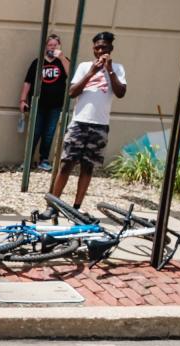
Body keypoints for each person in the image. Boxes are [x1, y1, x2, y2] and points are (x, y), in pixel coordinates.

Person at [47, 31, 126, 215]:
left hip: (100, 124)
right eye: (97, 47)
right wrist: (92, 72)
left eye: (104, 47)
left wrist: (110, 69)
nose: (100, 51)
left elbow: (121, 92)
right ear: (93, 48)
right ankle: (53, 206)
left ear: (110, 49)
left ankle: (76, 208)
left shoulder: (118, 68)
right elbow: (72, 92)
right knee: (66, 164)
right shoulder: (84, 66)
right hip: (79, 122)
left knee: (87, 167)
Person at [19, 34, 70, 171]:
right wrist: (23, 100)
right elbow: (27, 82)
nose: (52, 48)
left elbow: (71, 76)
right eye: (50, 45)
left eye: (55, 45)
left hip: (56, 105)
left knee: (49, 133)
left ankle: (44, 159)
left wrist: (62, 57)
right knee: (34, 132)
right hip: (38, 104)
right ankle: (28, 160)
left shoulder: (63, 61)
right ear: (45, 47)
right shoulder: (37, 62)